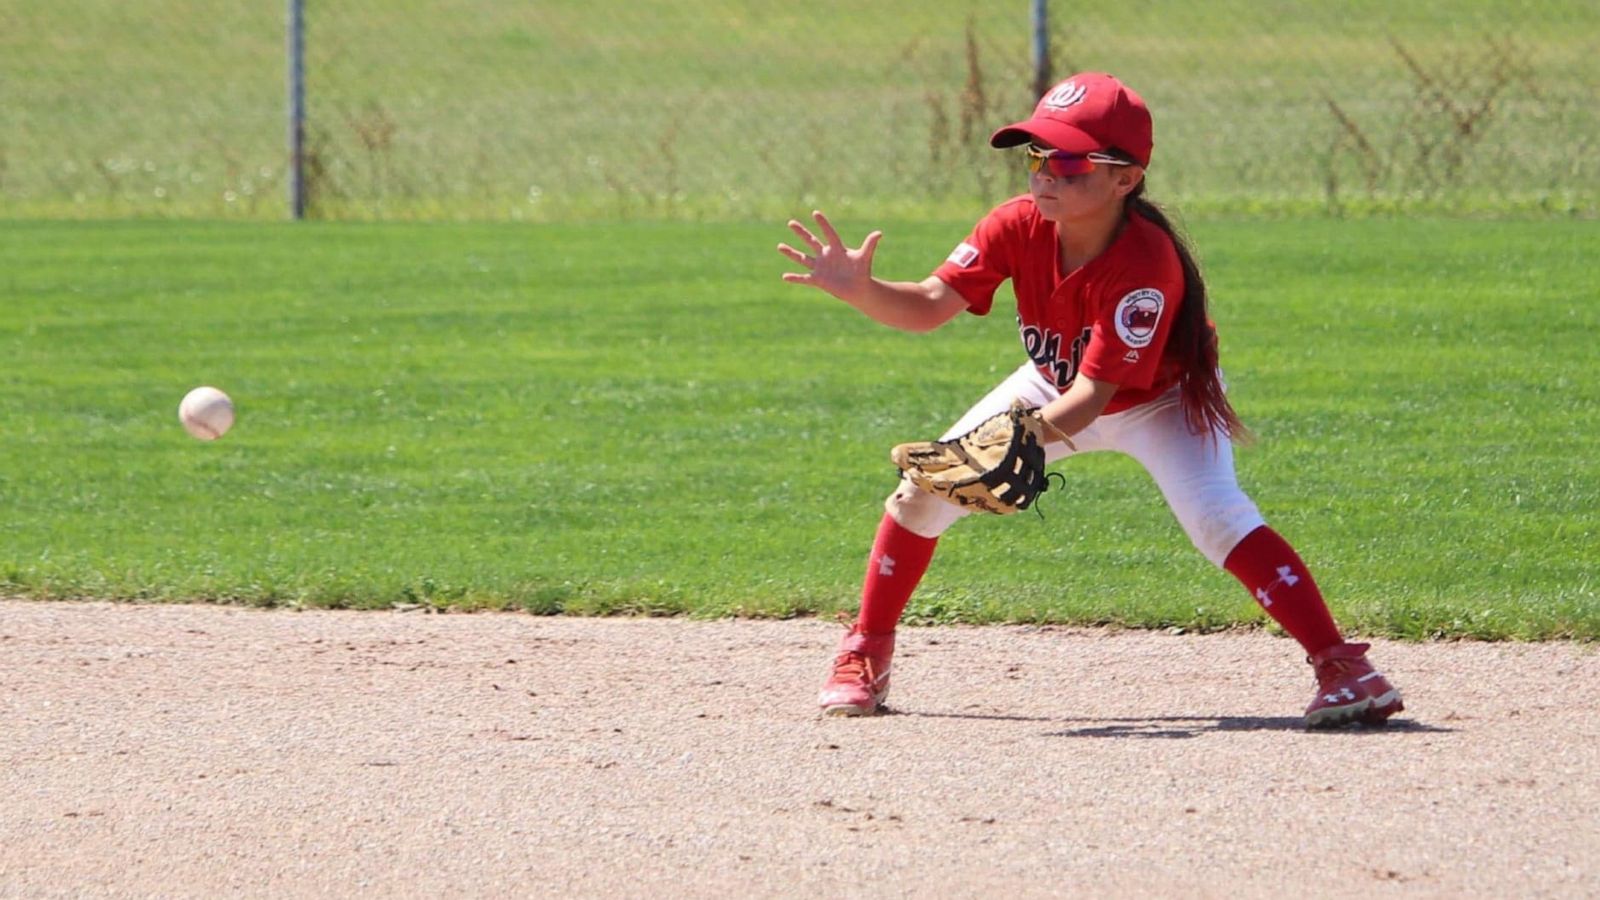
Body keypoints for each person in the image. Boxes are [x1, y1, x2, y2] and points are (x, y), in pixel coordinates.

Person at [775, 72, 1403, 729]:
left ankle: (1344, 668)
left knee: (1219, 518)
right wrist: (861, 290)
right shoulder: (1017, 225)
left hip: (1158, 400)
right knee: (920, 492)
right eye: (1037, 157)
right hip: (1054, 383)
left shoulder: (1144, 265)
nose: (1046, 176)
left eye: (1071, 162)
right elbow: (931, 307)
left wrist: (1011, 442)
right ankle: (864, 654)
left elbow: (1093, 399)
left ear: (1125, 179)